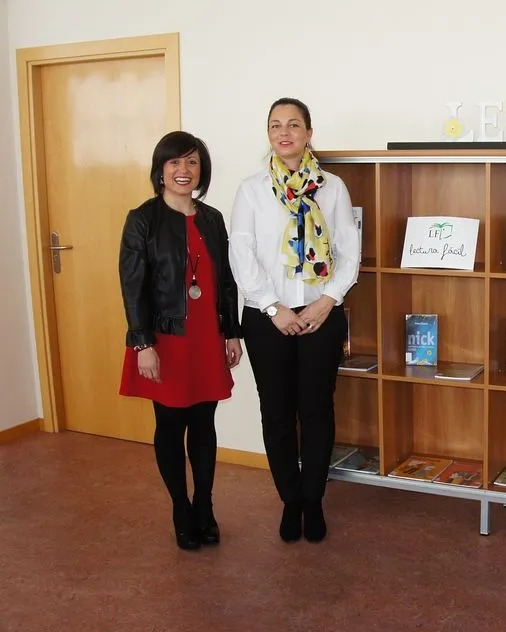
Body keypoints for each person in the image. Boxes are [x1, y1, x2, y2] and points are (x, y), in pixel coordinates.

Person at [229, 97, 360, 544]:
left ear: (308, 133)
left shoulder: (332, 187)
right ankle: (290, 500)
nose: (284, 132)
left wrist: (327, 301)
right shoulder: (251, 189)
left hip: (321, 315)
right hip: (267, 319)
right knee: (277, 412)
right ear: (268, 134)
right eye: (275, 125)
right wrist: (273, 307)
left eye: (293, 124)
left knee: (317, 410)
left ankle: (314, 499)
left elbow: (348, 250)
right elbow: (241, 252)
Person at [118, 131, 243, 551]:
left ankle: (204, 505)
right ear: (161, 171)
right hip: (165, 339)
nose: (183, 170)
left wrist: (232, 331)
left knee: (204, 424)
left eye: (192, 161)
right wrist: (142, 344)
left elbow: (226, 281)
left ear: (201, 170)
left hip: (207, 338)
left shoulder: (212, 219)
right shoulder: (142, 219)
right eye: (174, 162)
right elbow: (132, 287)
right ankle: (180, 508)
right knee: (170, 426)